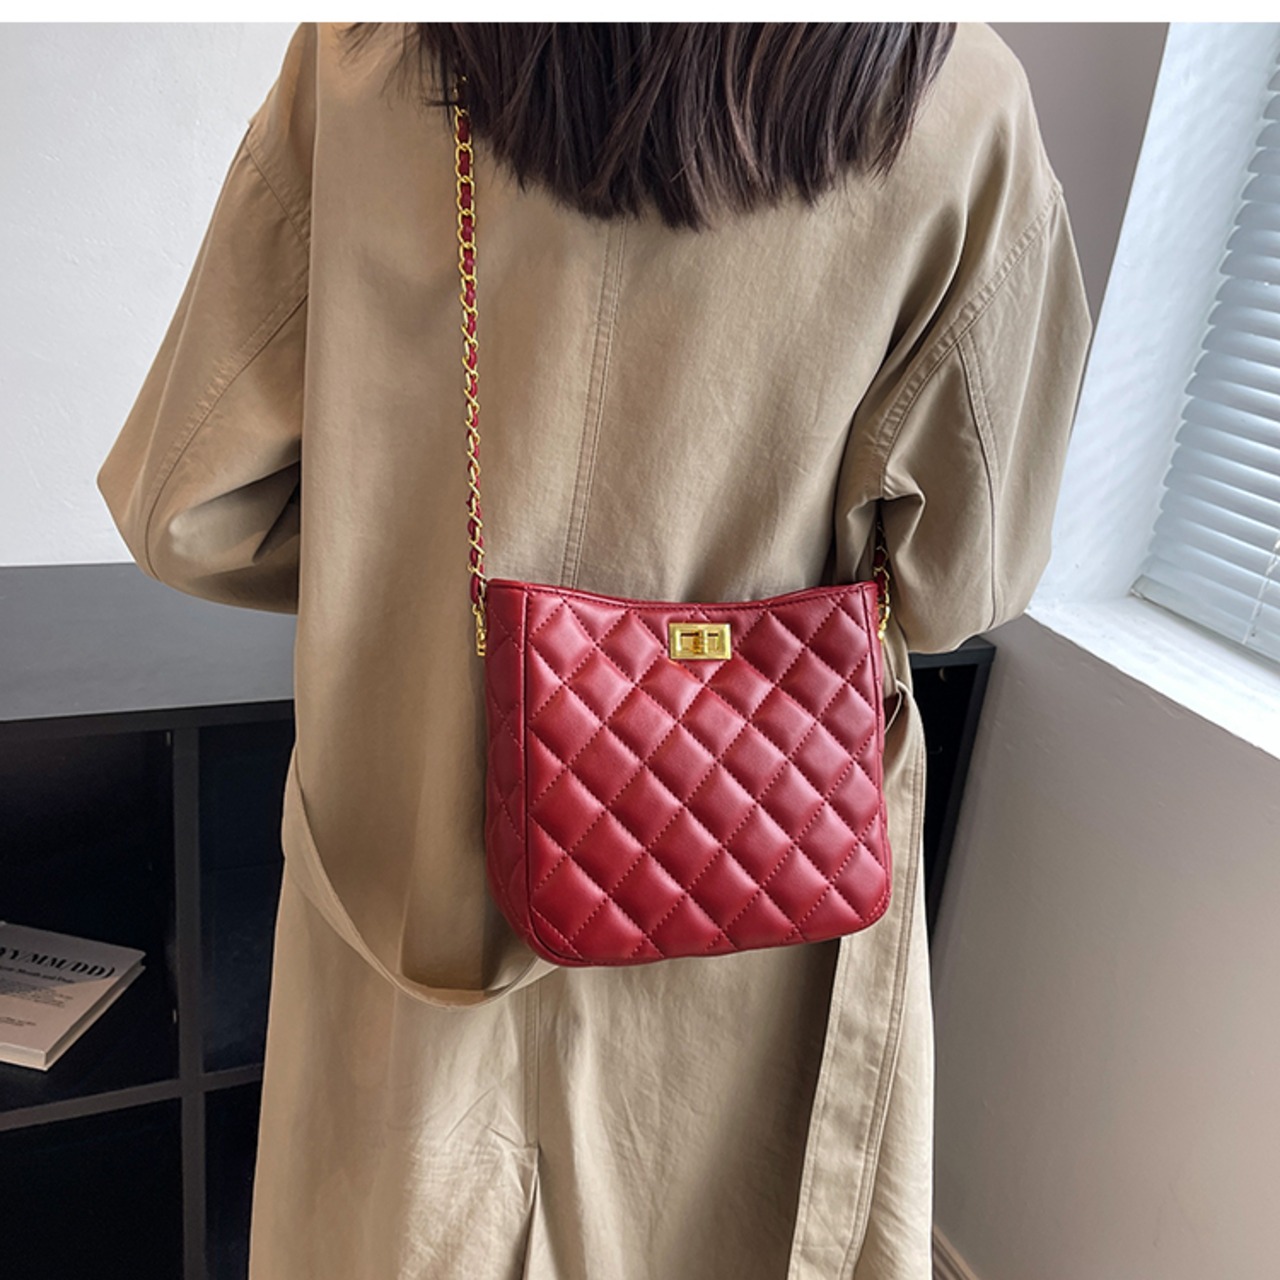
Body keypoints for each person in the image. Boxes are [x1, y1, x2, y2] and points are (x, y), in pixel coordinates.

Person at [97, 22, 1092, 1280]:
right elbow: (961, 581)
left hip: (416, 903)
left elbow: (186, 508)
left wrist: (400, 576)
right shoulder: (958, 101)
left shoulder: (368, 61)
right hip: (749, 900)